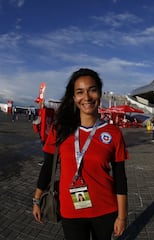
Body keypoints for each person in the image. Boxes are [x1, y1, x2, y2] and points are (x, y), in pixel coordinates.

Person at [32, 68, 129, 240]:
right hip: (71, 211)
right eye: (80, 92)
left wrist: (122, 216)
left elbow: (120, 177)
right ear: (73, 97)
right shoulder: (60, 129)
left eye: (92, 90)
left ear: (99, 93)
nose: (87, 97)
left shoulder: (113, 133)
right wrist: (37, 199)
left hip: (104, 210)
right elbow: (48, 166)